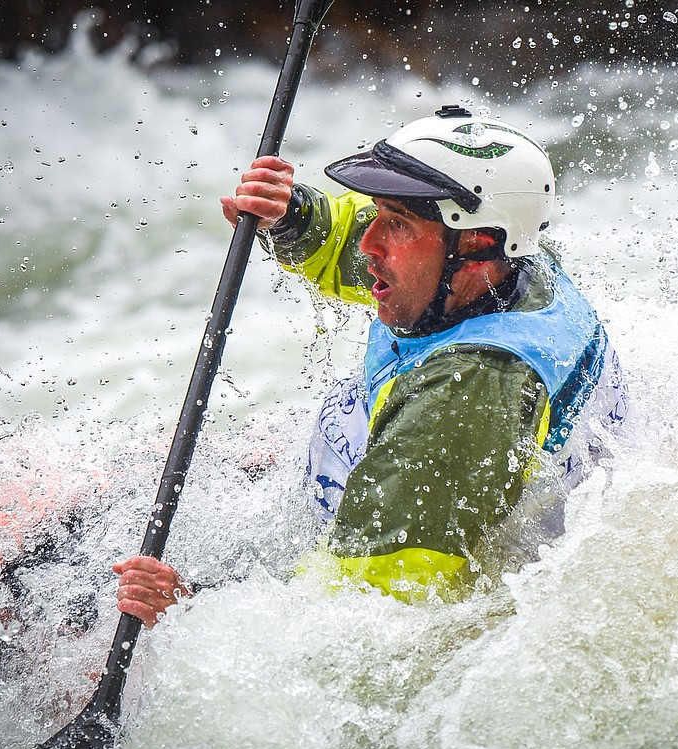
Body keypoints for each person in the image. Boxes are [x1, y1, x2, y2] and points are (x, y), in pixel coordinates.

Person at [114, 105, 629, 625]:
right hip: (393, 480)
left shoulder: (466, 391)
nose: (370, 243)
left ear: (475, 245)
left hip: (422, 554)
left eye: (397, 223)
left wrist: (196, 607)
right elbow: (352, 241)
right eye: (379, 212)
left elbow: (365, 614)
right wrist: (292, 216)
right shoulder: (490, 269)